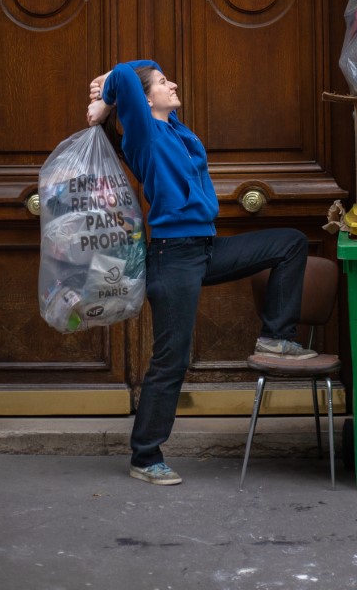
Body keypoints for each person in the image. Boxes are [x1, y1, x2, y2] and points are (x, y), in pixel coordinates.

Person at [86, 59, 316, 486]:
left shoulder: (176, 131)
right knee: (171, 360)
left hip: (205, 249)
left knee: (290, 243)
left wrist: (116, 94)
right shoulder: (143, 133)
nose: (171, 83)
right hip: (173, 257)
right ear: (143, 98)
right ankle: (145, 455)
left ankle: (277, 336)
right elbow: (123, 74)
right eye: (160, 82)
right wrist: (108, 98)